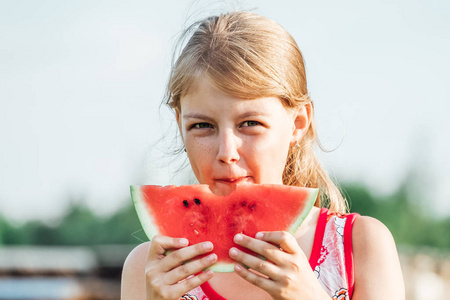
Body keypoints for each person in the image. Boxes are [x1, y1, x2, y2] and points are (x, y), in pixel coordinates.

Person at [121, 11, 404, 300]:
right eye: (202, 126)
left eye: (250, 124)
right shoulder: (149, 270)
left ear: (298, 124)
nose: (227, 153)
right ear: (181, 126)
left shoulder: (361, 247)